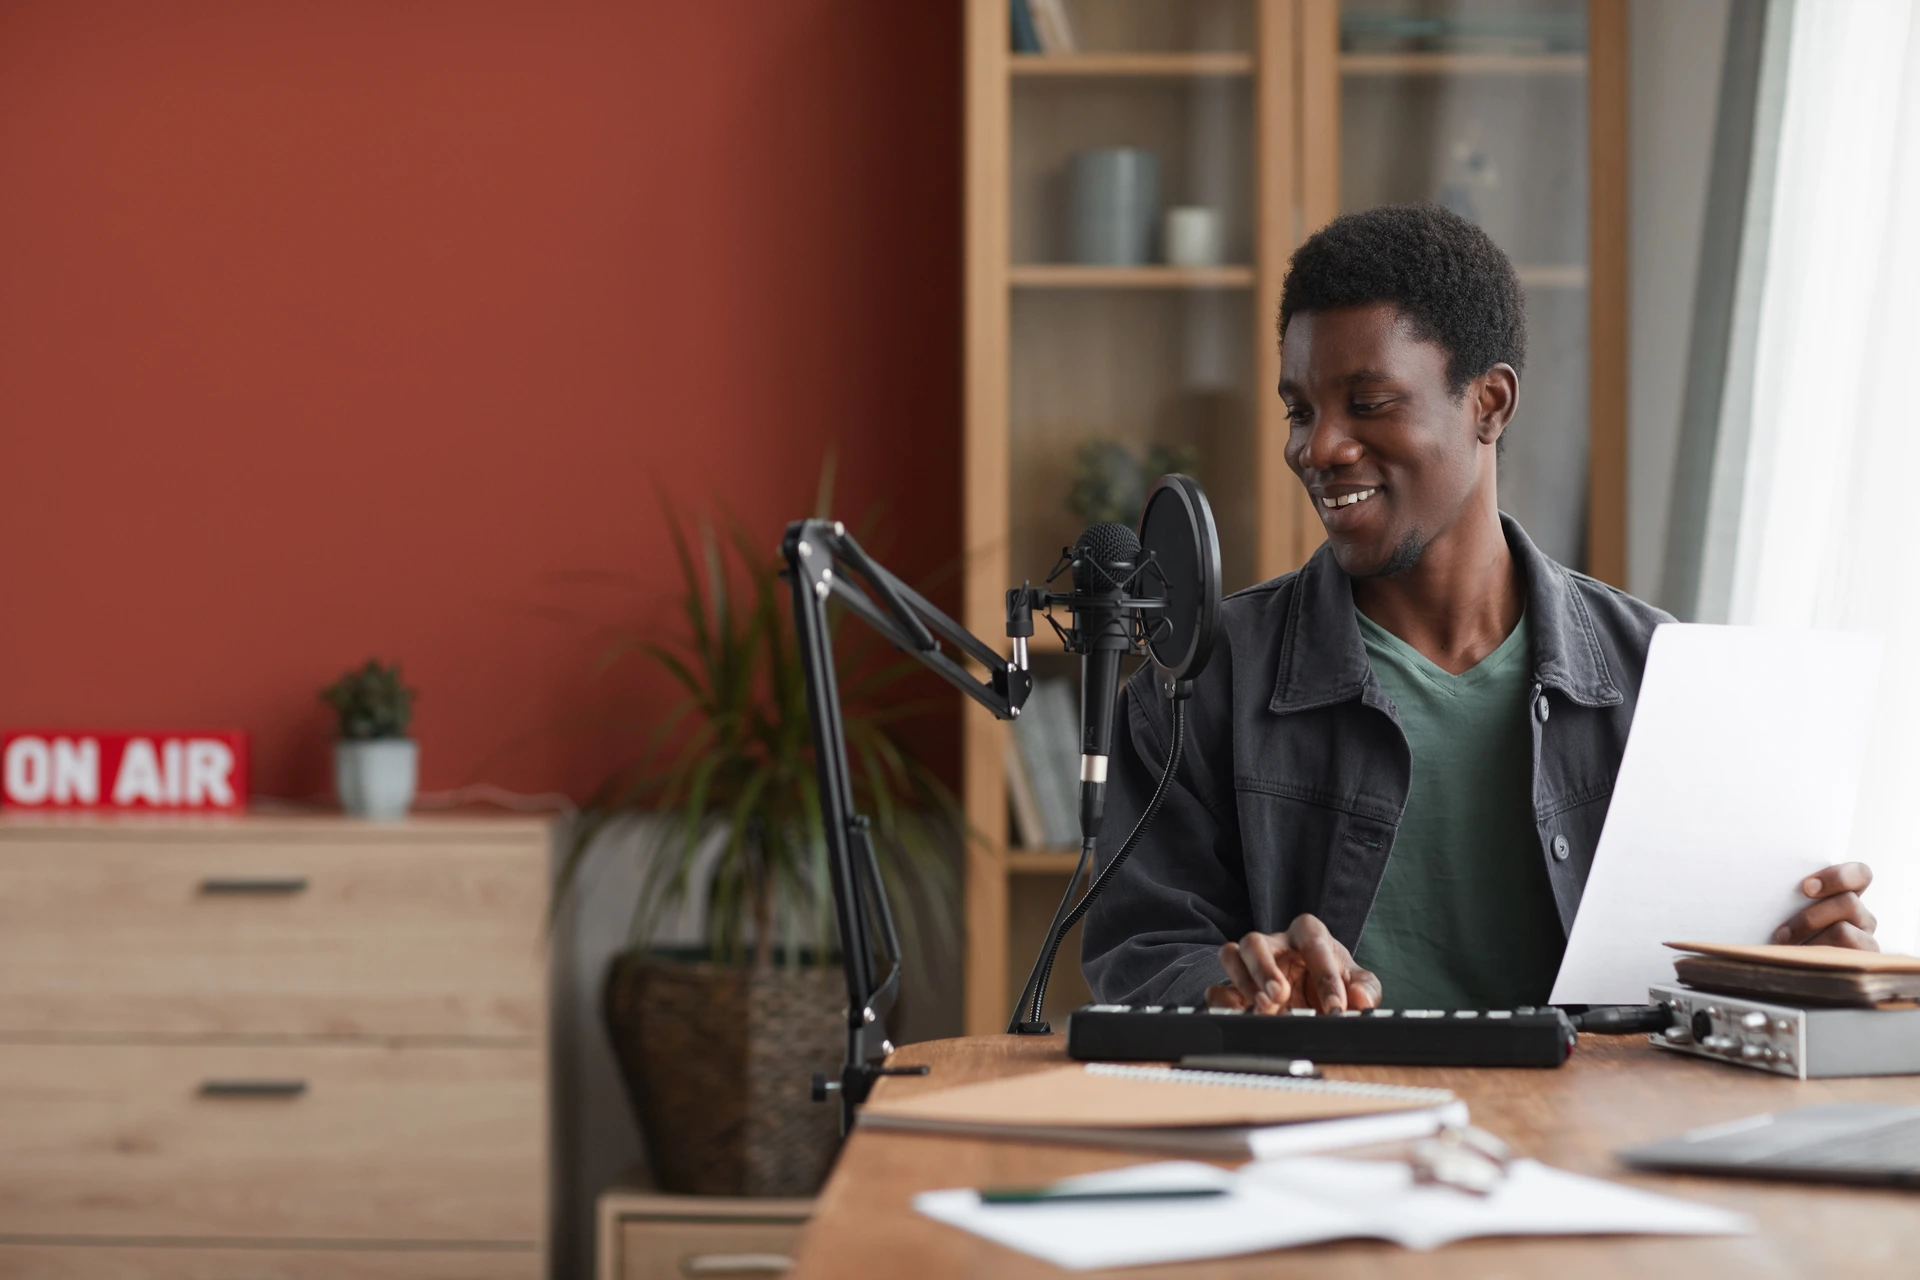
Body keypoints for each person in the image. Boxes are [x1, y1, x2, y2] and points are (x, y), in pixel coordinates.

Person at [1081, 203, 1877, 1015]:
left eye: (1369, 402)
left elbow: (1707, 993)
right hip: (1319, 1128)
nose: (1317, 449)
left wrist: (1801, 969)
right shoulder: (1200, 682)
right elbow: (1138, 950)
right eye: (1301, 410)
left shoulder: (1663, 677)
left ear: (1489, 404)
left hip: (1581, 1140)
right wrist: (1238, 983)